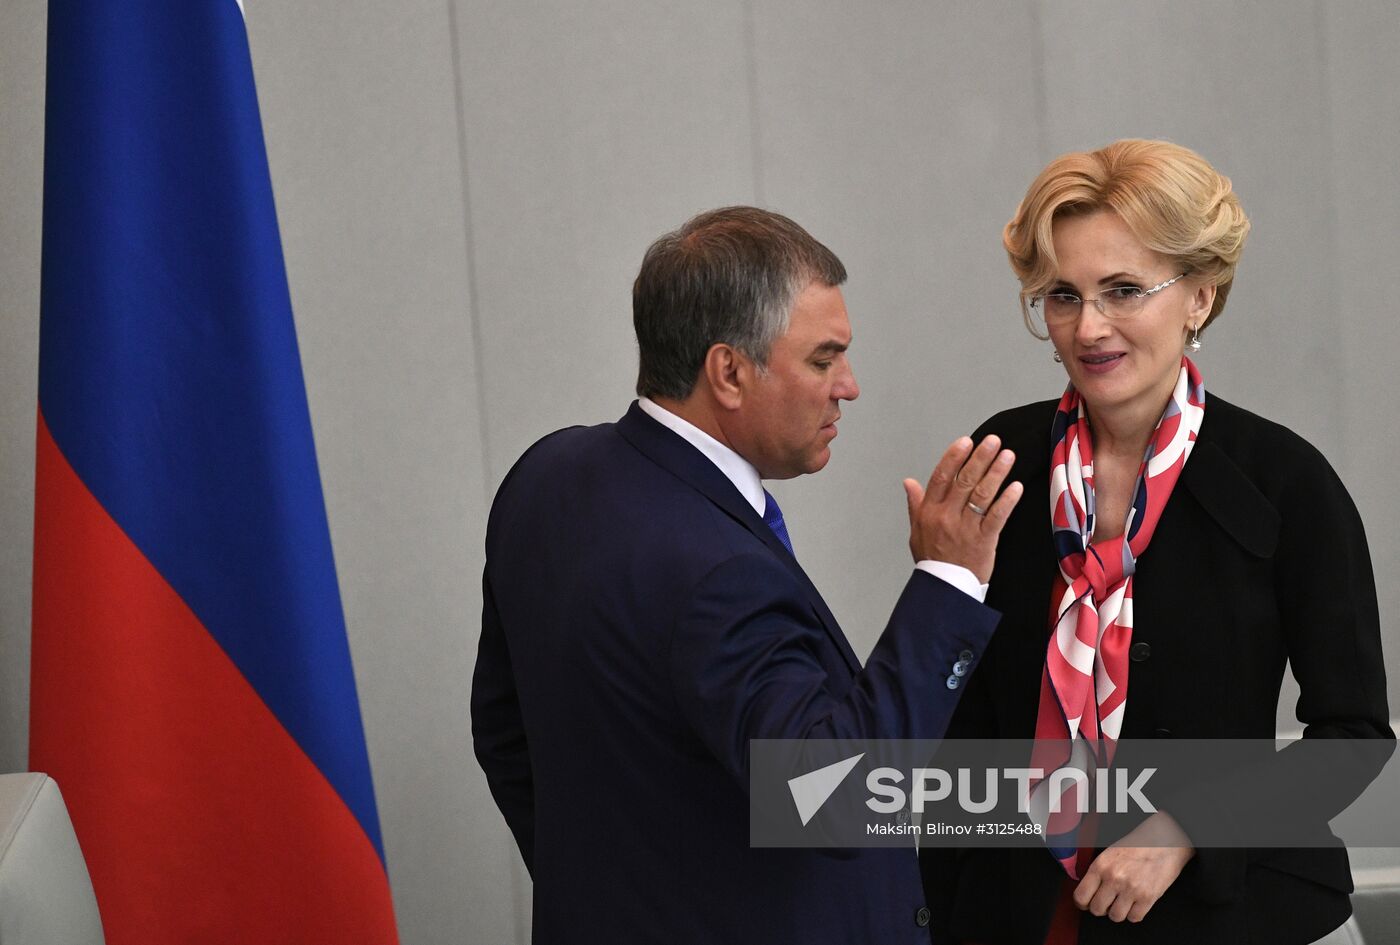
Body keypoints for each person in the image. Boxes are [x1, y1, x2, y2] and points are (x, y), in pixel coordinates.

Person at [472, 206, 1023, 944]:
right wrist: (947, 580)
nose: (849, 386)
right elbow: (840, 796)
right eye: (823, 359)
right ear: (728, 371)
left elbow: (506, 736)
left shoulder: (545, 478)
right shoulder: (719, 573)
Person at [919, 139, 1392, 945]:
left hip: (1244, 917)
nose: (1088, 326)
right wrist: (937, 584)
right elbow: (954, 721)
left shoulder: (1282, 482)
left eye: (1124, 290)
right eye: (1062, 294)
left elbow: (1353, 736)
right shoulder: (1002, 462)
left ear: (1200, 296)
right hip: (1028, 914)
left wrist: (1190, 826)